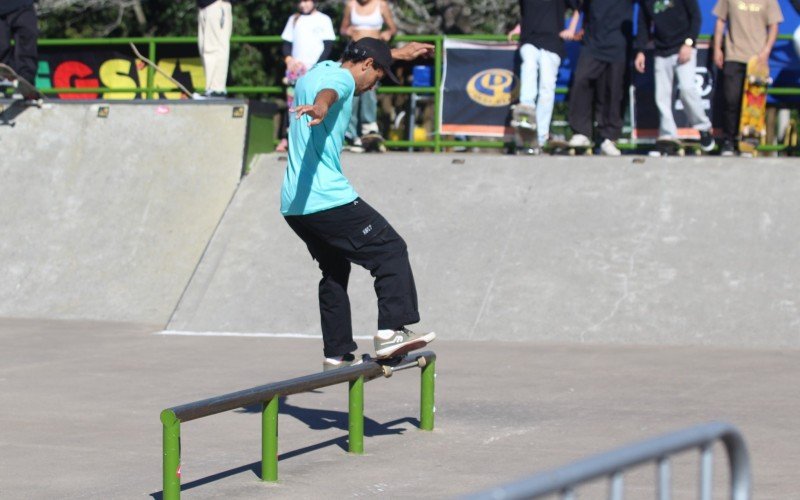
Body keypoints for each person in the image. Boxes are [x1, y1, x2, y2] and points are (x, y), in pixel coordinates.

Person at [281, 37, 436, 370]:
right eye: (377, 77)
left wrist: (396, 54)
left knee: (335, 268)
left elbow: (350, 68)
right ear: (366, 66)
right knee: (391, 250)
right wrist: (323, 107)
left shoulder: (322, 69)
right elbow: (333, 92)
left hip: (295, 205)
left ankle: (335, 352)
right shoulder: (342, 81)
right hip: (327, 199)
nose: (373, 85)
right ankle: (391, 333)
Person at [634, 0, 715, 151]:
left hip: (683, 48)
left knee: (686, 89)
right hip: (661, 51)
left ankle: (704, 128)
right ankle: (668, 135)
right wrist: (640, 51)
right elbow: (643, 24)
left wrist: (689, 43)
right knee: (662, 96)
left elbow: (696, 17)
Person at [507, 0, 581, 151]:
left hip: (552, 42)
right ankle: (527, 107)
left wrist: (572, 29)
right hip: (529, 39)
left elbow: (578, 9)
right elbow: (526, 13)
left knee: (547, 87)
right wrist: (518, 28)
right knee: (529, 64)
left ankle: (540, 136)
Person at [713, 0, 783, 155]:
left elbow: (774, 26)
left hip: (756, 58)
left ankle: (747, 140)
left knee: (753, 103)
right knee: (731, 98)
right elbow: (720, 20)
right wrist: (717, 48)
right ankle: (729, 140)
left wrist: (766, 52)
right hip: (734, 54)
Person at [566, 0, 635, 155]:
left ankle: (608, 138)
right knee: (581, 81)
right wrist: (573, 27)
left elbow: (648, 8)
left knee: (613, 91)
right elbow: (578, 6)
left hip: (619, 46)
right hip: (592, 44)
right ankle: (581, 133)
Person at [276, 0, 336, 152]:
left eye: (307, 1)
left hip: (315, 70)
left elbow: (328, 46)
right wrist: (289, 59)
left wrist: (317, 66)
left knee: (314, 102)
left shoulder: (324, 19)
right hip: (296, 71)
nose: (303, 5)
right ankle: (289, 136)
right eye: (300, 2)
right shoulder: (293, 19)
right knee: (292, 103)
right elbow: (286, 45)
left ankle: (312, 137)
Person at [339, 0, 397, 152]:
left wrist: (388, 33)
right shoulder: (351, 5)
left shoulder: (381, 5)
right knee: (352, 91)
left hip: (373, 52)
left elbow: (392, 28)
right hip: (355, 53)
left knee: (370, 88)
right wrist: (348, 31)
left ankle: (368, 127)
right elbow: (343, 29)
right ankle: (351, 133)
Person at [197, 0, 233, 98]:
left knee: (215, 48)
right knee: (204, 48)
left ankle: (217, 89)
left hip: (217, 5)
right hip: (204, 7)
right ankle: (210, 89)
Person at [0, 0, 38, 85]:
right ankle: (2, 79)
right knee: (2, 47)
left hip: (24, 6)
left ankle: (26, 81)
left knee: (27, 42)